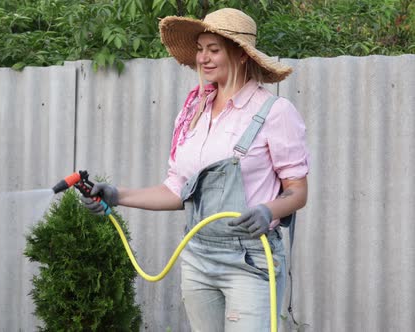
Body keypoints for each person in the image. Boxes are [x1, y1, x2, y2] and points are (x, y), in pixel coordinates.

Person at [81, 8, 309, 332]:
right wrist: (117, 195)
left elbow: (297, 191)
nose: (203, 58)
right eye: (201, 49)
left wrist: (267, 210)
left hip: (250, 260)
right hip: (197, 256)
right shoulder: (193, 111)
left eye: (214, 49)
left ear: (241, 55)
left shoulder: (274, 112)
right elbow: (177, 189)